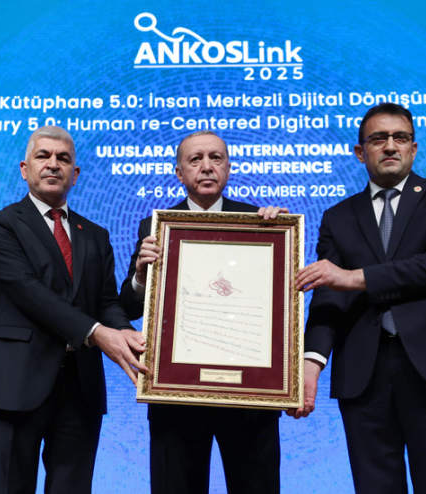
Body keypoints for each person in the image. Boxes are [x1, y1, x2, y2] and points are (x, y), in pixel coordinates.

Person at [291, 103, 426, 493]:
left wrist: (355, 277)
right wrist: (310, 363)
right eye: (378, 138)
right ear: (360, 152)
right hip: (363, 373)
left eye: (400, 137)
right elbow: (328, 293)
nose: (391, 146)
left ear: (414, 148)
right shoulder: (338, 216)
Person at [0, 126, 148, 494]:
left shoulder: (95, 234)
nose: (53, 164)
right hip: (14, 383)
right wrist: (97, 333)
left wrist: (127, 333)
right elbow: (28, 292)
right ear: (25, 169)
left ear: (75, 174)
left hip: (80, 388)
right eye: (43, 156)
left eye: (63, 159)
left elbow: (106, 302)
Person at [120, 130, 283, 494]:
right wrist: (142, 276)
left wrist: (280, 236)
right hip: (177, 396)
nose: (207, 167)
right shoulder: (157, 226)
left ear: (228, 168)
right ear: (179, 173)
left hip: (249, 396)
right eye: (195, 159)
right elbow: (128, 306)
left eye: (216, 158)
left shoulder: (261, 222)